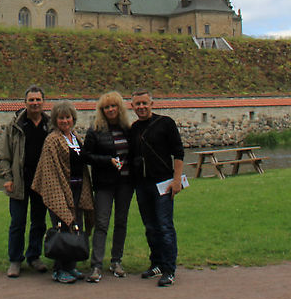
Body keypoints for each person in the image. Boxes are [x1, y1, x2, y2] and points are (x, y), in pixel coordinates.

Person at [31, 100, 94, 284]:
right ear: (55, 120)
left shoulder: (74, 136)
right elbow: (49, 170)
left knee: (75, 227)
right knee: (62, 228)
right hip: (60, 189)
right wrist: (58, 194)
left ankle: (71, 266)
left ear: (73, 119)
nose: (65, 121)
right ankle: (59, 269)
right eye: (61, 118)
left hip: (77, 188)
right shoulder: (52, 139)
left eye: (67, 117)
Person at [129, 89, 184, 287]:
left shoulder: (166, 123)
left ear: (152, 104)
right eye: (138, 104)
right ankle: (157, 263)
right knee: (150, 227)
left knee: (164, 225)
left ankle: (169, 268)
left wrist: (176, 180)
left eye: (145, 103)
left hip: (163, 182)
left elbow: (178, 152)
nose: (141, 107)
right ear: (132, 106)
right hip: (143, 184)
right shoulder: (134, 128)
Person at [0, 85, 51, 278]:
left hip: (42, 183)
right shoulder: (15, 126)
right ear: (25, 102)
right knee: (17, 222)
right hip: (20, 181)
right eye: (31, 100)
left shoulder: (50, 125)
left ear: (43, 102)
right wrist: (7, 177)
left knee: (38, 222)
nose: (35, 103)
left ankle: (34, 256)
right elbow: (4, 155)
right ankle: (15, 260)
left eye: (38, 100)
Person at [82, 91, 133, 282]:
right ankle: (96, 264)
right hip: (104, 184)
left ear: (119, 108)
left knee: (121, 222)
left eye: (113, 106)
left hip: (125, 183)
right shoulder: (95, 130)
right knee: (101, 223)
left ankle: (116, 260)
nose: (111, 110)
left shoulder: (127, 129)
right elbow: (85, 155)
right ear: (101, 110)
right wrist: (107, 160)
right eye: (106, 107)